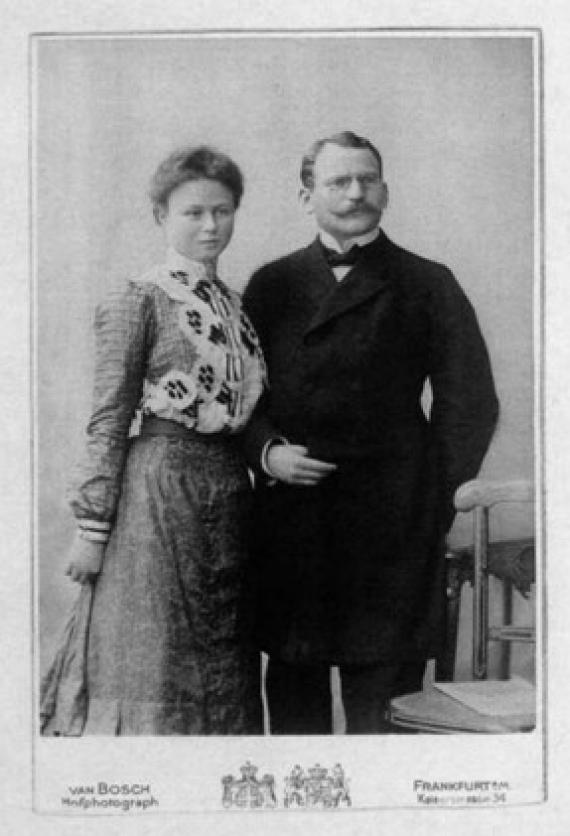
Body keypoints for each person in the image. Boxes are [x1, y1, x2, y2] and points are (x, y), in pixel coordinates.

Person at [242, 131, 499, 734]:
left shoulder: (428, 282)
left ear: (386, 189)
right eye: (338, 181)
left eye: (368, 179)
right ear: (306, 195)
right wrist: (268, 453)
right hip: (294, 524)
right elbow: (236, 396)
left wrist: (429, 499)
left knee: (385, 715)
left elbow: (472, 401)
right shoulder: (270, 285)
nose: (356, 192)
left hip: (390, 531)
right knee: (295, 709)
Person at [50, 145, 266, 735]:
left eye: (222, 212)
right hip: (158, 493)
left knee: (224, 653)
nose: (210, 225)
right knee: (157, 656)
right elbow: (107, 417)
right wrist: (92, 530)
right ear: (160, 217)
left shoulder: (237, 308)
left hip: (227, 492)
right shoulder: (140, 298)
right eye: (193, 212)